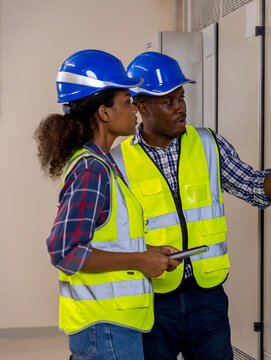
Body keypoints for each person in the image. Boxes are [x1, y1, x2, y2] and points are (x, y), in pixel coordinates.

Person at [110, 51, 271, 360]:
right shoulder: (118, 163)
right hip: (151, 300)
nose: (180, 108)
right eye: (168, 101)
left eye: (182, 97)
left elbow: (259, 192)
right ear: (142, 107)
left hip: (207, 299)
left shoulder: (208, 144)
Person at [35, 49, 180, 360]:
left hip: (112, 325)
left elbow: (109, 237)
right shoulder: (91, 169)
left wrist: (147, 254)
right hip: (105, 329)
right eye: (127, 102)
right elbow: (65, 251)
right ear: (104, 112)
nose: (134, 110)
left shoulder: (103, 163)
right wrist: (140, 261)